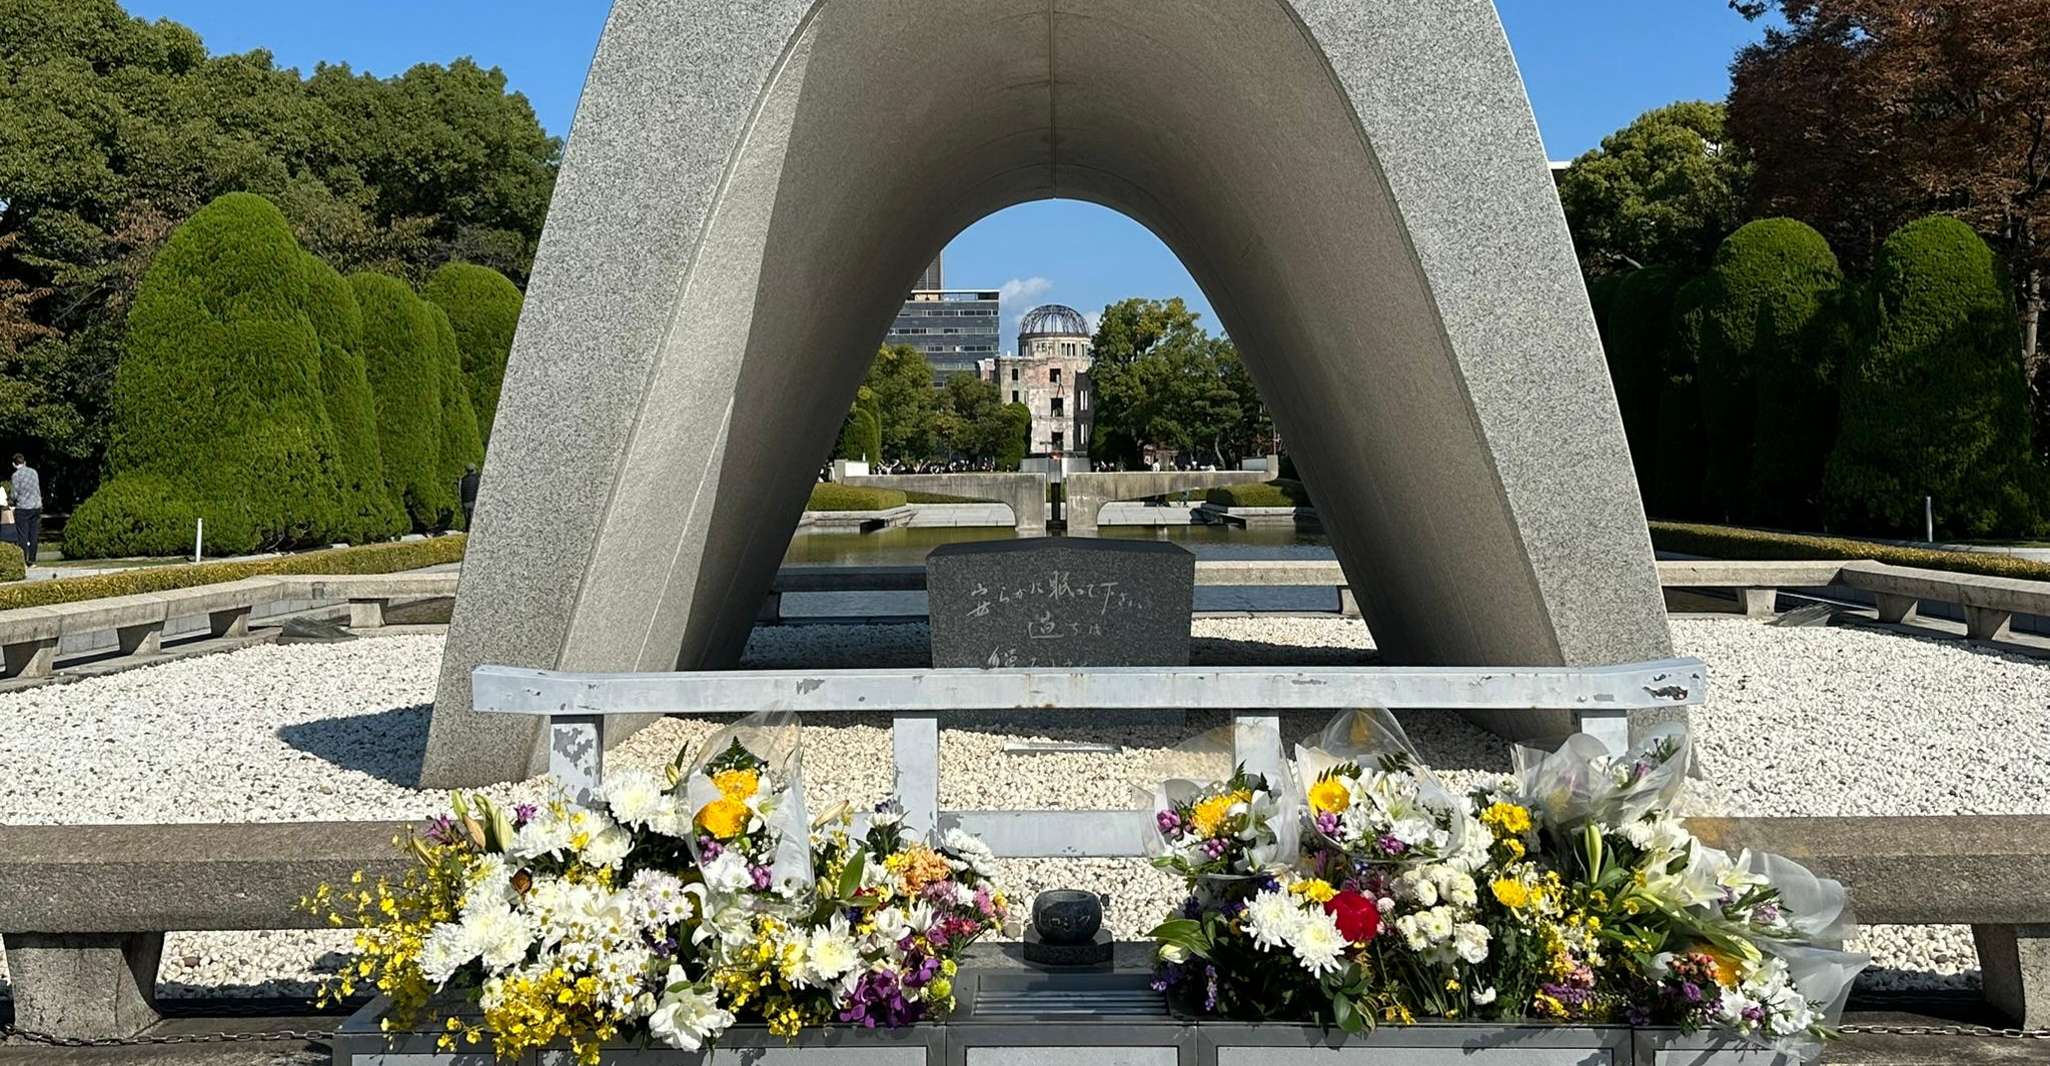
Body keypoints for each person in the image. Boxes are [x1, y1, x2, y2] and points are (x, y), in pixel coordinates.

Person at [10, 454, 40, 564]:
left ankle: (24, 558)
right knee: (34, 533)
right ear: (25, 462)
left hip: (23, 507)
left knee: (23, 534)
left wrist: (10, 501)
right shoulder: (34, 472)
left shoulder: (16, 476)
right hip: (36, 506)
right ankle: (33, 559)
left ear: (14, 464)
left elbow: (14, 494)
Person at [458, 465, 481, 530]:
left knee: (467, 521)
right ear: (474, 470)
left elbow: (460, 492)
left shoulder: (463, 479)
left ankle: (467, 532)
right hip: (474, 501)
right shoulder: (477, 478)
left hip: (465, 502)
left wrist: (461, 502)